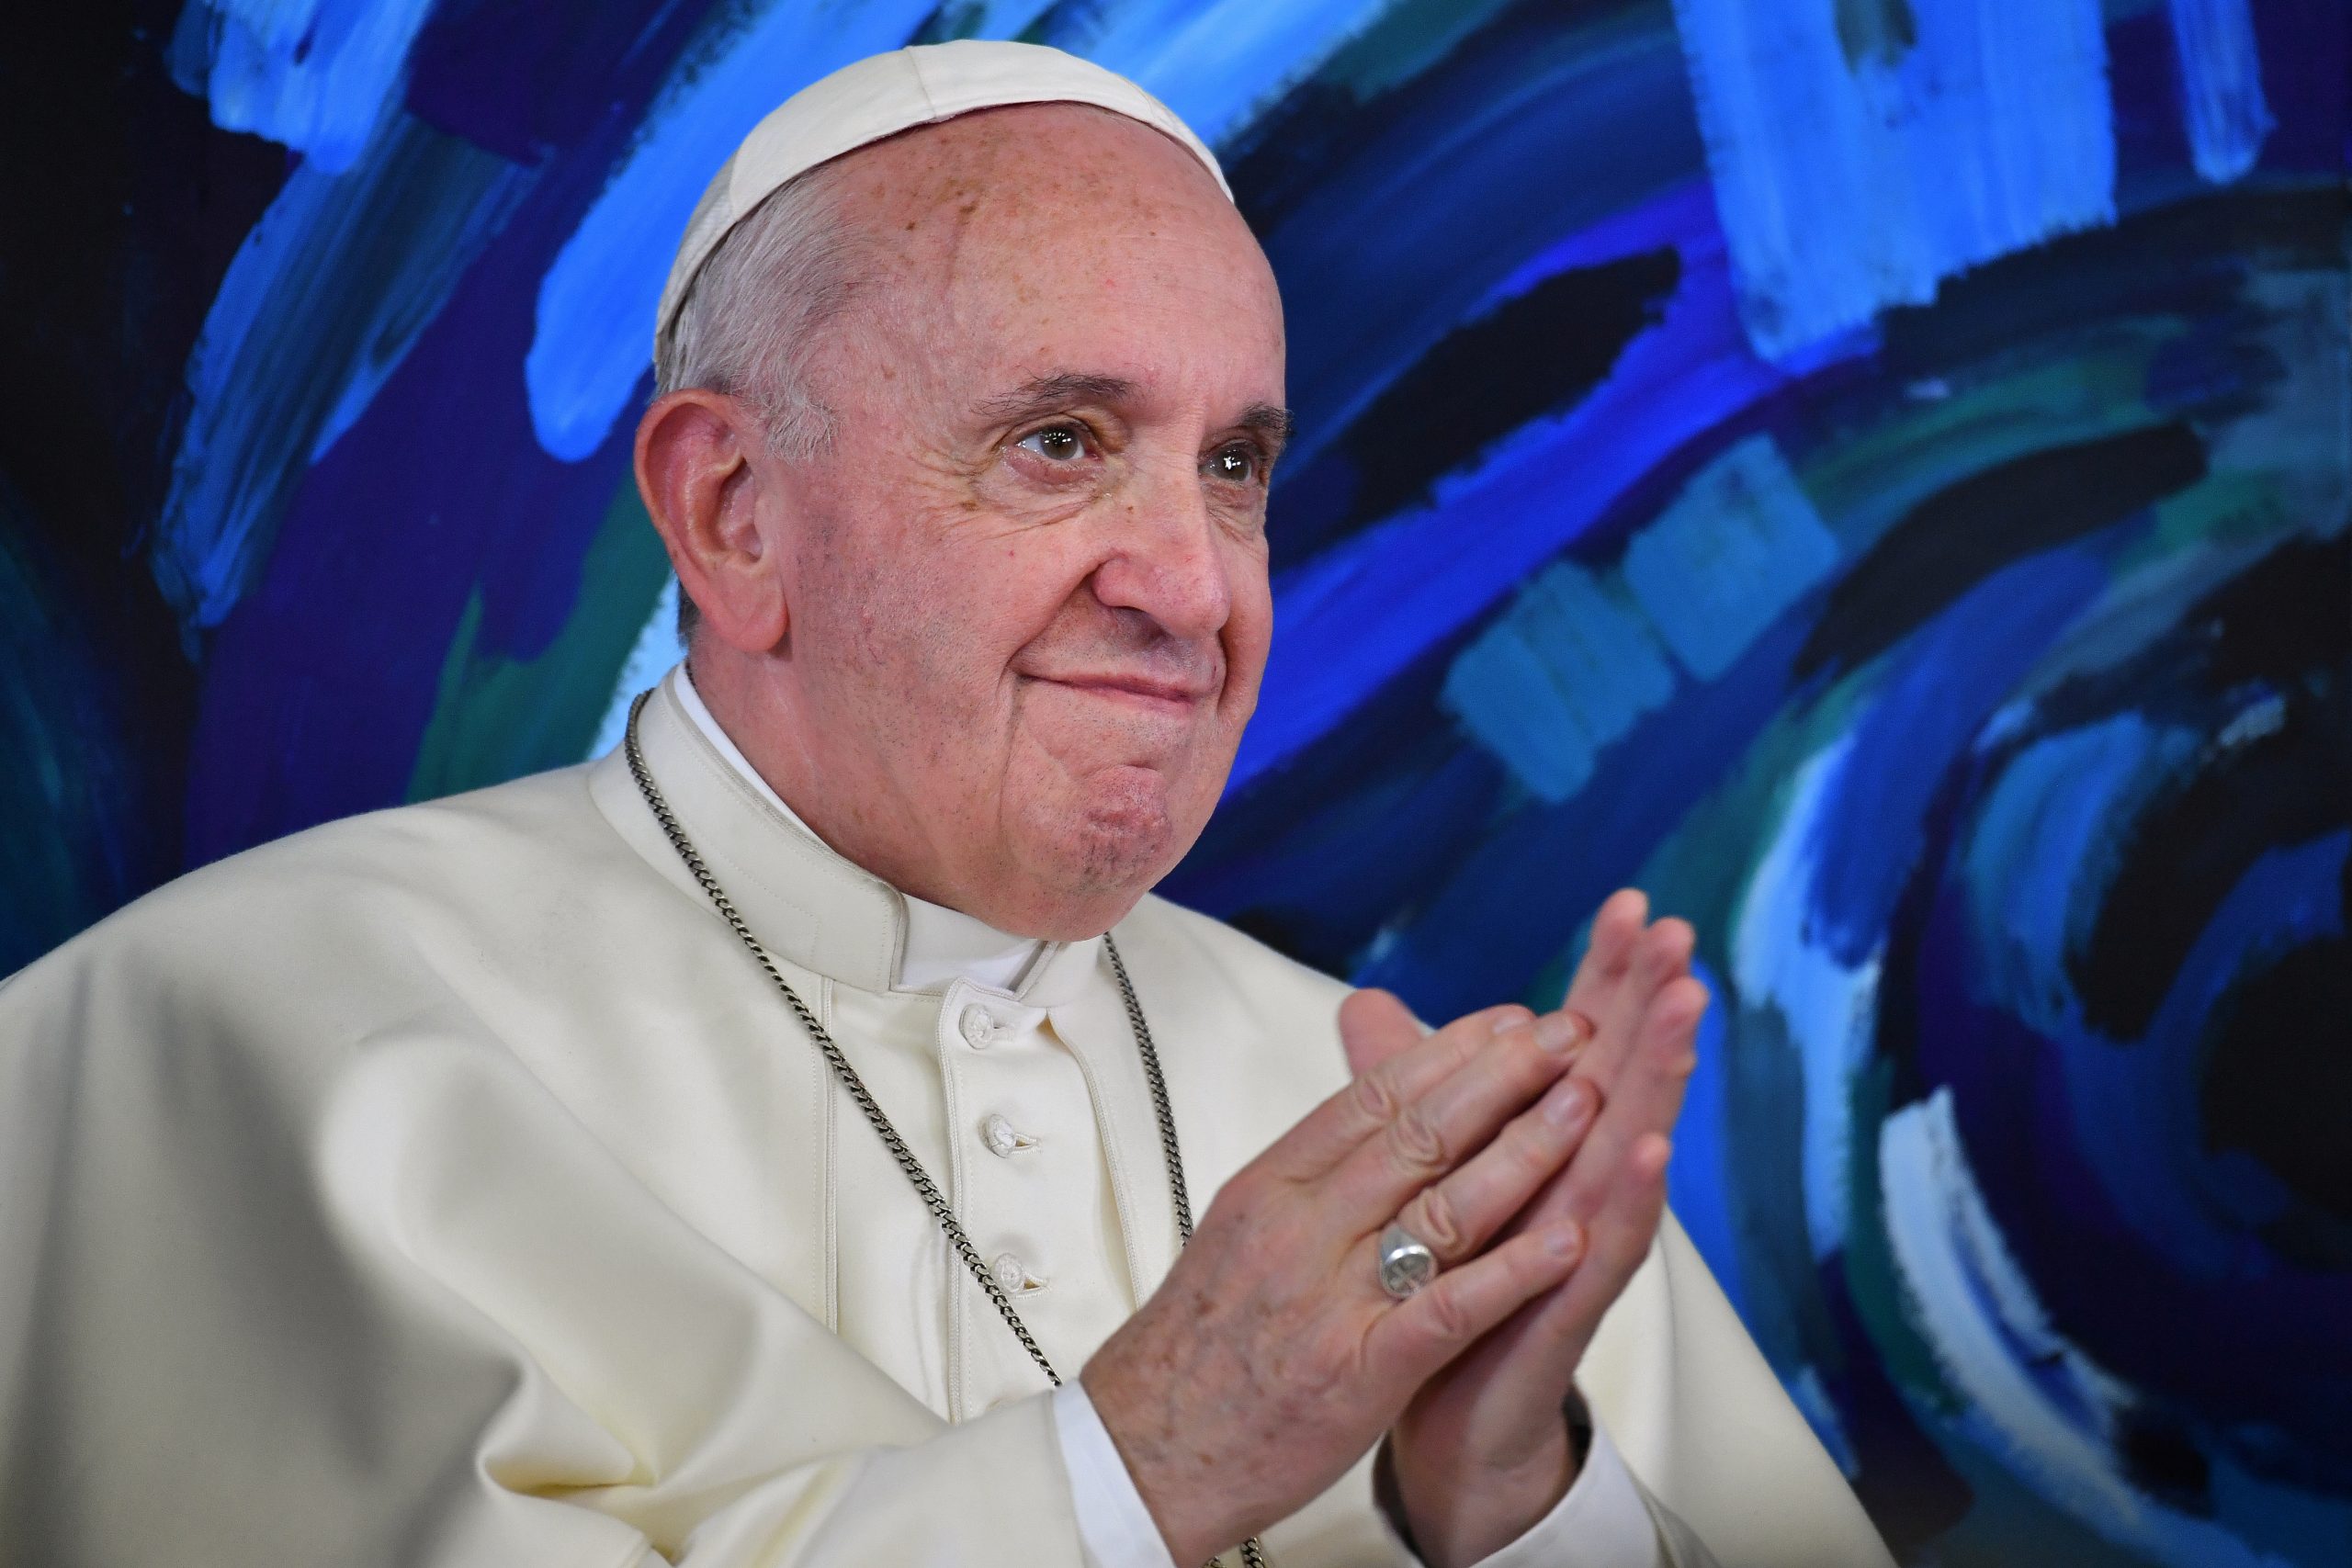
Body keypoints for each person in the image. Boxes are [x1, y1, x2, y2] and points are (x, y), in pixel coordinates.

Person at [0, 40, 1892, 1568]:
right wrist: (1145, 1457)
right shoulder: (231, 1039)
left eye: (1231, 464)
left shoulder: (1369, 1102)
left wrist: (1506, 1504)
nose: (1194, 583)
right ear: (736, 516)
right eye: (1058, 444)